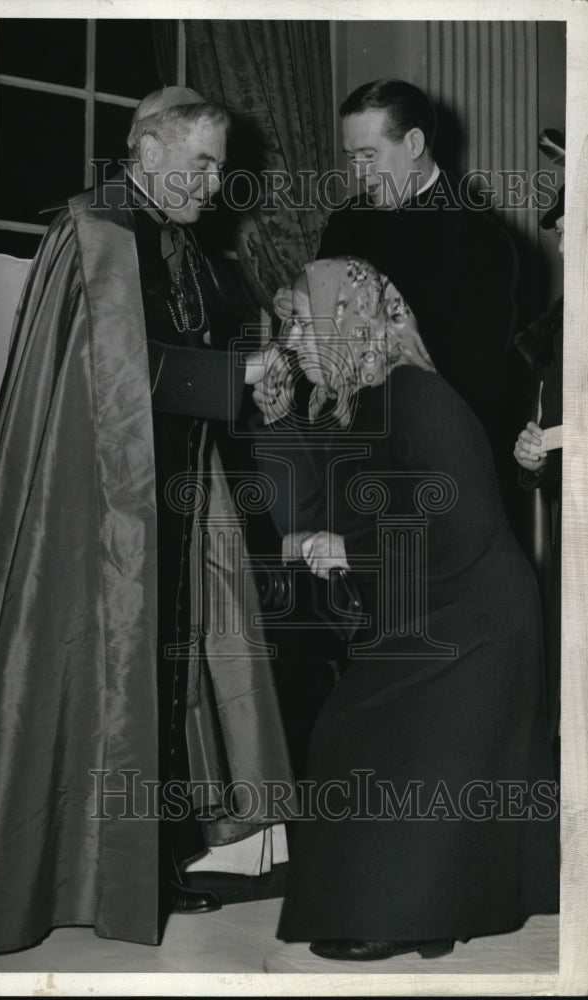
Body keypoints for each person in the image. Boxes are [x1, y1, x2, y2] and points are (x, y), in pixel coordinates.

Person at [0, 86, 293, 955]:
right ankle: (93, 870)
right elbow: (123, 380)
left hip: (171, 493)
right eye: (201, 163)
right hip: (97, 510)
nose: (214, 182)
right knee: (111, 674)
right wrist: (236, 380)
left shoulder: (172, 235)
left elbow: (191, 351)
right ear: (149, 153)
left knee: (163, 673)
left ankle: (149, 858)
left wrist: (250, 376)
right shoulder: (96, 233)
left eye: (219, 165)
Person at [254, 257, 558, 961]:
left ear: (345, 323)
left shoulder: (414, 396)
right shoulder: (364, 399)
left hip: (473, 618)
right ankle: (402, 907)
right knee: (350, 734)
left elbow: (457, 519)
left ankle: (411, 914)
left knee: (378, 740)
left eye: (302, 323)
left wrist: (346, 547)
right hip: (433, 604)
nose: (293, 339)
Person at [275, 80, 518, 480]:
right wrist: (295, 312)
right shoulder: (346, 222)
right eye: (352, 158)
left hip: (431, 460)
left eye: (370, 155)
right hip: (342, 452)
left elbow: (480, 380)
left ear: (415, 143)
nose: (359, 173)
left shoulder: (480, 239)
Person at [513, 184, 564, 747]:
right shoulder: (559, 329)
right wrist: (532, 456)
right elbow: (545, 429)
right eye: (561, 236)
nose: (565, 250)